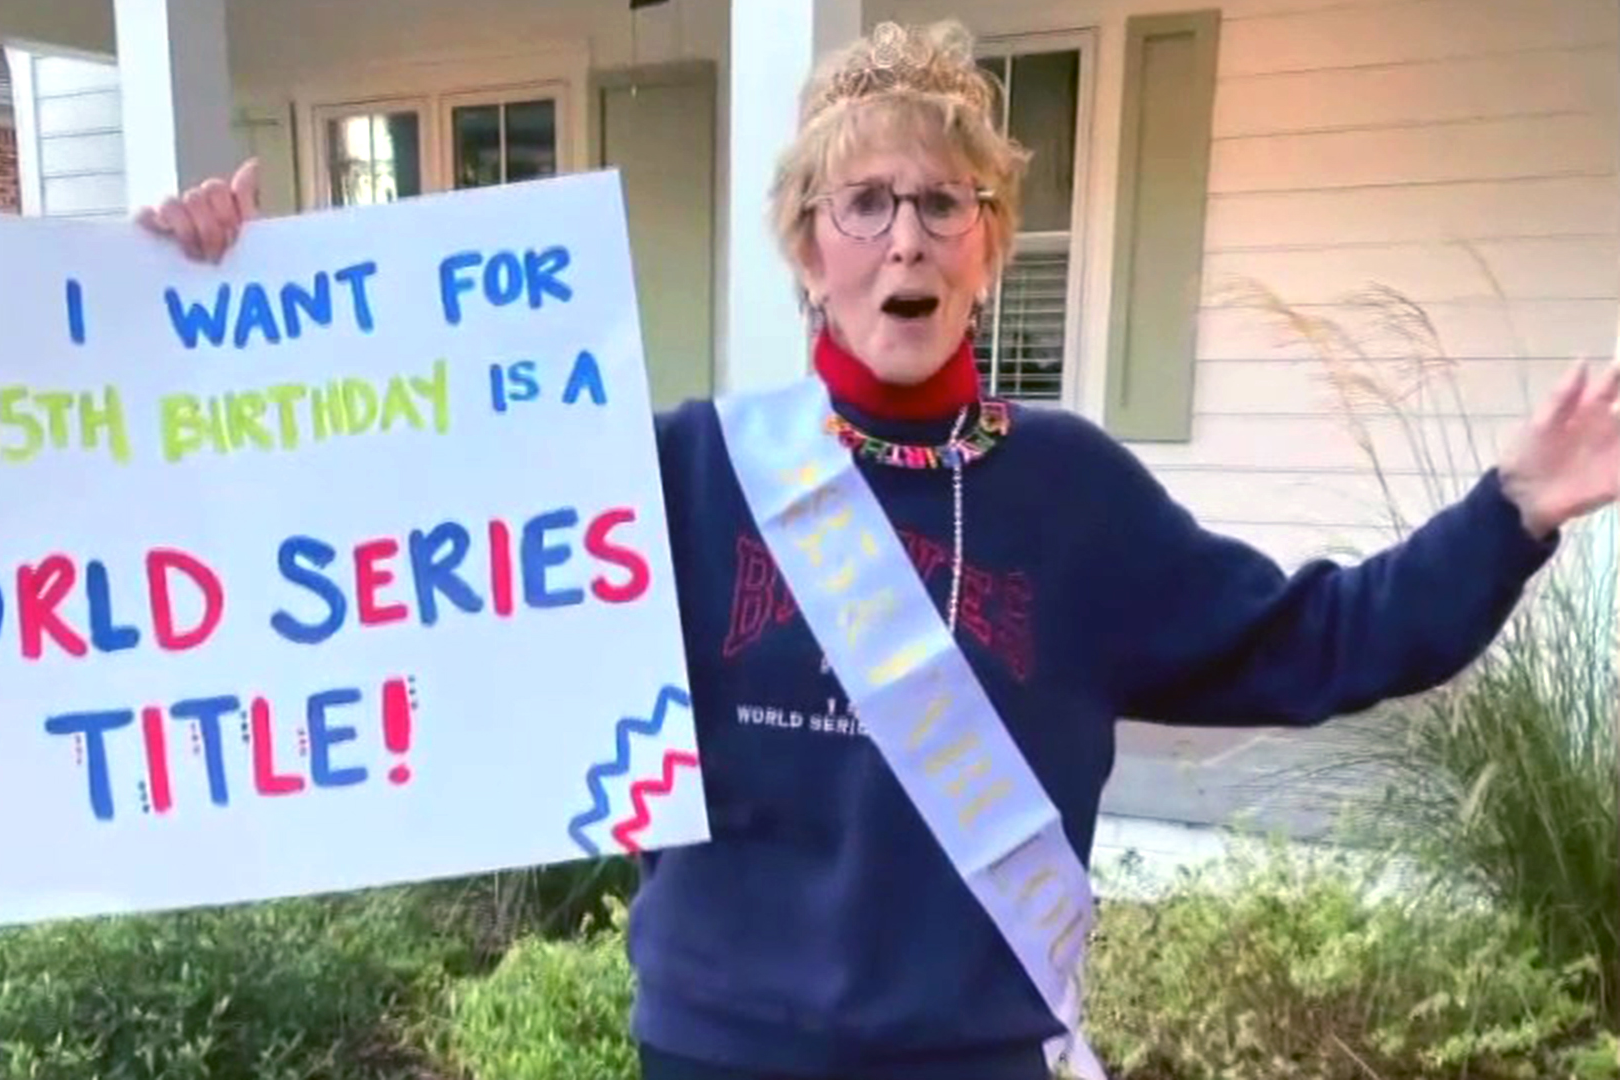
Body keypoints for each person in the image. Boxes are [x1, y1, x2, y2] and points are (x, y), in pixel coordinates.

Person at [140, 20, 1620, 1080]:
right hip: (721, 1048)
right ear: (806, 245)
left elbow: (1325, 639)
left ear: (991, 242)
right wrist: (222, 309)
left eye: (942, 202)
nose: (904, 237)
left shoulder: (1077, 493)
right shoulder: (688, 470)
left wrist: (1512, 509)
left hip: (974, 1054)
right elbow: (399, 539)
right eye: (864, 203)